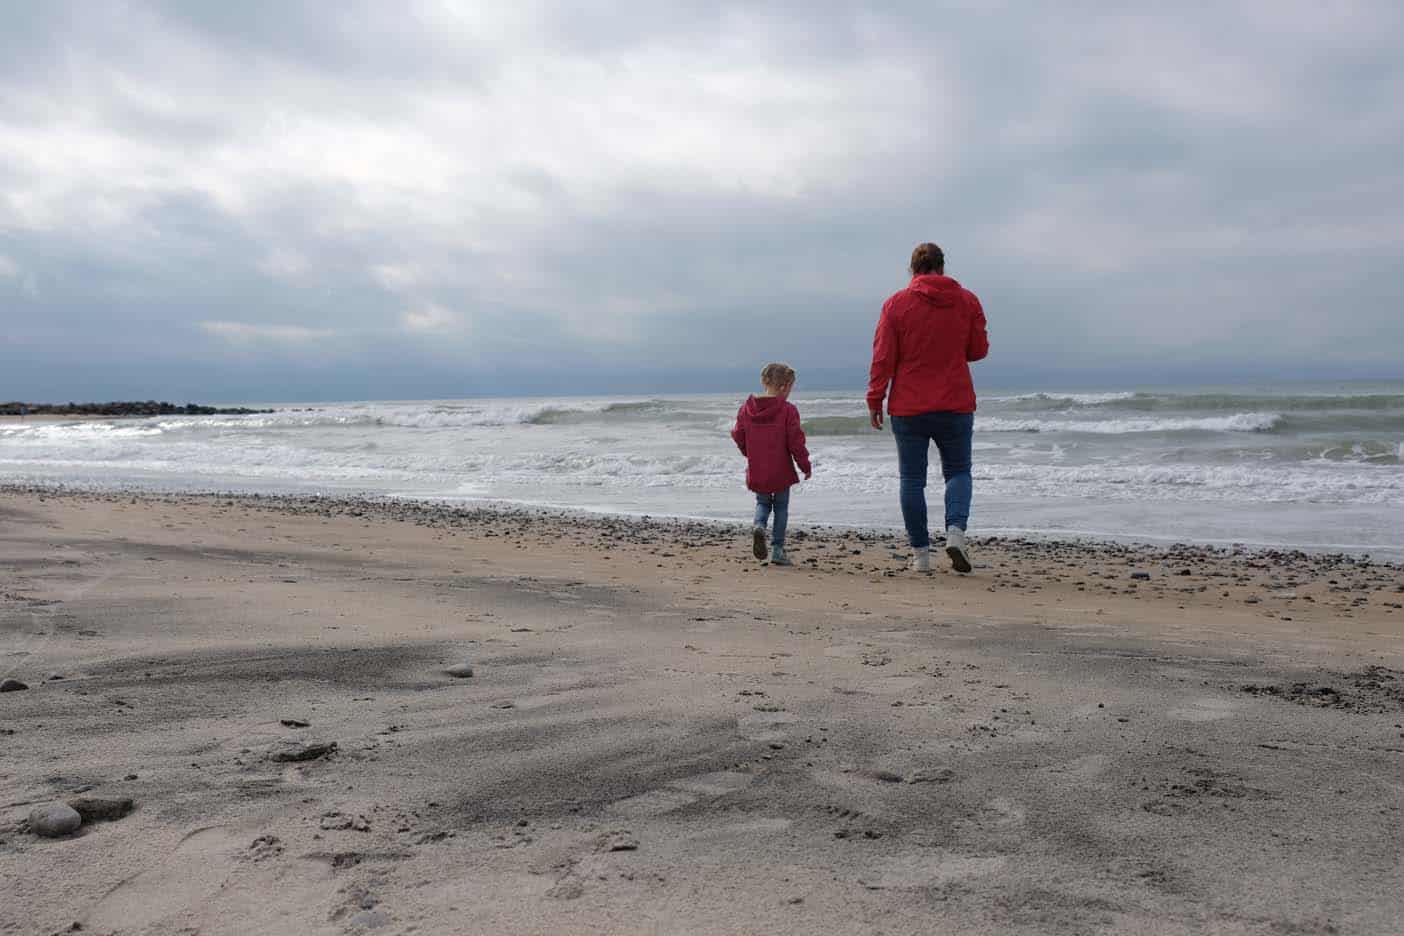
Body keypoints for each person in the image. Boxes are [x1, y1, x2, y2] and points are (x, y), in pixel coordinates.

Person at [867, 243, 989, 574]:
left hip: (909, 405)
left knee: (911, 479)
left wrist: (875, 398)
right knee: (959, 471)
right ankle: (955, 532)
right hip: (955, 402)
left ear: (913, 269)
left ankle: (921, 555)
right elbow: (978, 350)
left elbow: (883, 357)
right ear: (942, 267)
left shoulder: (896, 304)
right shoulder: (967, 301)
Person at [731, 362, 812, 566]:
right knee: (781, 507)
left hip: (758, 466)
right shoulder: (788, 410)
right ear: (784, 386)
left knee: (762, 503)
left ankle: (759, 525)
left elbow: (739, 435)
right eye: (791, 388)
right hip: (781, 469)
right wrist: (804, 465)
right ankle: (777, 549)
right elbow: (796, 441)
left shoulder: (746, 409)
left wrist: (749, 453)